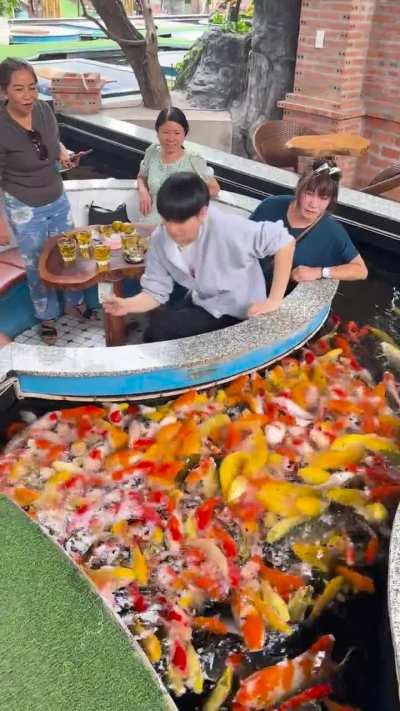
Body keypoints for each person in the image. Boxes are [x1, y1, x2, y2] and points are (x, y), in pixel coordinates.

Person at [104, 172, 295, 342]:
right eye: (167, 219)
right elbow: (154, 293)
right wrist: (127, 305)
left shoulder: (229, 228)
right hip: (204, 301)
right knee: (158, 329)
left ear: (202, 213)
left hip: (242, 311)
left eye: (180, 221)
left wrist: (274, 301)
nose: (171, 228)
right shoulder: (160, 239)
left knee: (160, 329)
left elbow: (284, 242)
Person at [0, 58, 92, 345]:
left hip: (56, 196)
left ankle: (74, 302)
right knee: (37, 263)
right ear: (3, 91)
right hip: (24, 205)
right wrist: (1, 222)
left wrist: (63, 153)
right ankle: (47, 317)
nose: (28, 96)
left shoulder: (43, 109)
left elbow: (54, 142)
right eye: (19, 89)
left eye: (32, 87)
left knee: (69, 254)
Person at [250, 159, 368, 284]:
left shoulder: (332, 230)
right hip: (247, 286)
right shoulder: (270, 206)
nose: (313, 204)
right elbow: (241, 241)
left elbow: (361, 270)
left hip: (280, 299)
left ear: (330, 200)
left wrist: (319, 272)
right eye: (309, 193)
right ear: (300, 189)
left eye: (323, 198)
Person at [136, 106, 220, 227]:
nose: (171, 139)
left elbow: (214, 188)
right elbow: (141, 177)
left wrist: (186, 198)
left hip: (180, 227)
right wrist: (143, 191)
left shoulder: (193, 159)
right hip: (150, 223)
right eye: (165, 132)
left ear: (185, 132)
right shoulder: (152, 152)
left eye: (176, 133)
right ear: (157, 131)